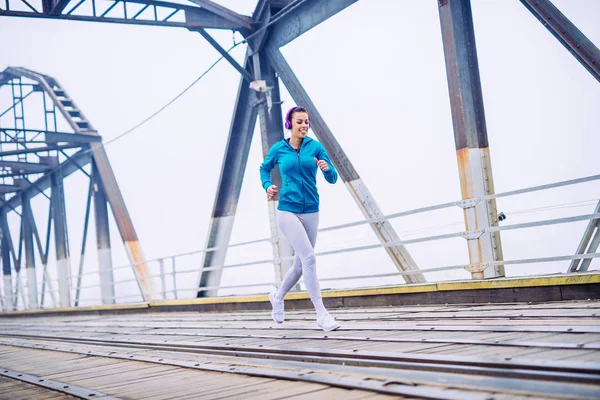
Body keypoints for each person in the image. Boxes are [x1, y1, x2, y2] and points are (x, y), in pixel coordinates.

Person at [259, 106, 341, 331]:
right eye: (300, 122)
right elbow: (264, 169)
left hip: (312, 210)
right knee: (310, 258)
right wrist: (268, 186)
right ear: (290, 124)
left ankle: (277, 296)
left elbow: (333, 177)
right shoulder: (279, 149)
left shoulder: (315, 147)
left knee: (299, 265)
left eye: (307, 122)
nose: (305, 125)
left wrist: (326, 169)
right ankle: (322, 315)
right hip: (287, 209)